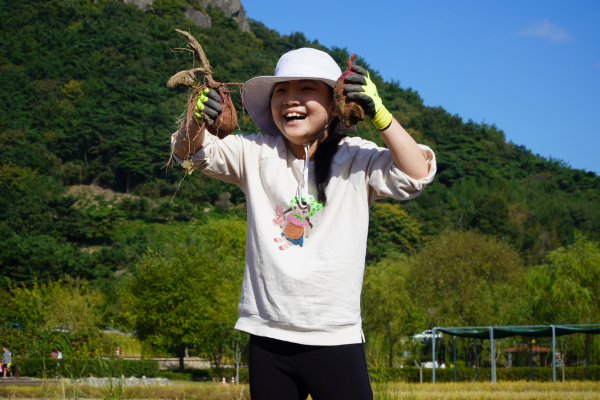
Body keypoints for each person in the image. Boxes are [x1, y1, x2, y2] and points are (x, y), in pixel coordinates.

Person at [172, 48, 436, 400]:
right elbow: (188, 152)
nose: (291, 100)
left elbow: (415, 175)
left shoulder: (356, 158)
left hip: (333, 337)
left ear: (334, 102)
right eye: (281, 91)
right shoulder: (256, 153)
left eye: (307, 89)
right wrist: (196, 119)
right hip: (268, 336)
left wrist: (382, 115)